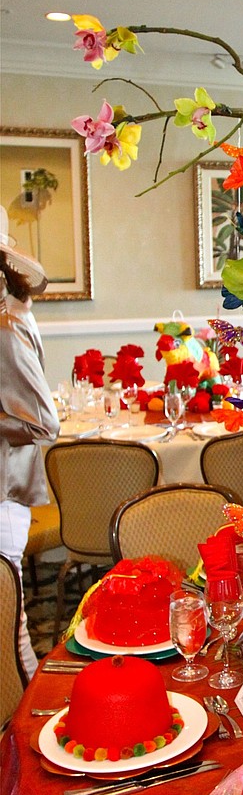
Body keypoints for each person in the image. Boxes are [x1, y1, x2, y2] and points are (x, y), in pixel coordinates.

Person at [0, 209, 60, 678]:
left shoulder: (7, 324)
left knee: (12, 627)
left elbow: (43, 424)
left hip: (4, 492)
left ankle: (19, 733)